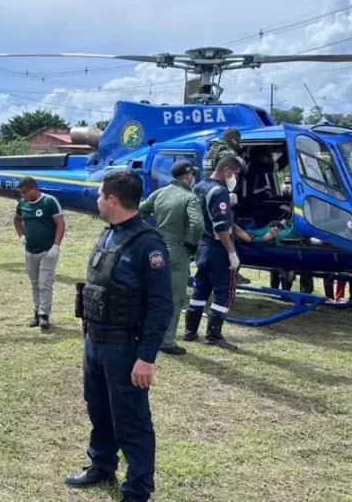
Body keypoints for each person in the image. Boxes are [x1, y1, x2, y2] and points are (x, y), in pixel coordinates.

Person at [66, 170, 172, 502]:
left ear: (112, 200)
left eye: (99, 195)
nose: (96, 200)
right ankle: (102, 464)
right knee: (98, 408)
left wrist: (147, 357)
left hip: (125, 348)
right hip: (95, 341)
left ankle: (138, 489)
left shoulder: (148, 244)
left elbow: (161, 305)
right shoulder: (108, 234)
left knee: (132, 418)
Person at [138, 160, 204, 356]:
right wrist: (192, 244)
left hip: (157, 247)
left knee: (151, 293)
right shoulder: (189, 198)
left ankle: (144, 333)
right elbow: (198, 225)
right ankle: (166, 340)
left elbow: (139, 212)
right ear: (188, 176)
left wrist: (147, 234)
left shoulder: (158, 193)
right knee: (174, 297)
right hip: (177, 250)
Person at [183, 155, 242, 351]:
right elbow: (221, 226)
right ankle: (214, 335)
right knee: (224, 293)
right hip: (217, 249)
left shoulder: (199, 186)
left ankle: (190, 331)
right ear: (226, 171)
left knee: (201, 288)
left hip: (202, 246)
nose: (234, 178)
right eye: (234, 174)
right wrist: (232, 253)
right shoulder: (219, 192)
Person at [13, 177, 66, 330]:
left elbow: (60, 223)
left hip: (47, 250)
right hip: (30, 250)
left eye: (24, 192)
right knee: (35, 283)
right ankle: (36, 312)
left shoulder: (49, 202)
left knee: (45, 283)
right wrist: (21, 235)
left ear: (33, 189)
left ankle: (44, 315)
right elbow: (17, 220)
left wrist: (56, 246)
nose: (22, 195)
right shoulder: (22, 204)